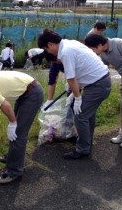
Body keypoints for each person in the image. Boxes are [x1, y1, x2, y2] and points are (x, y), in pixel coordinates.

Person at [38, 29, 111, 159]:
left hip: (97, 85)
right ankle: (87, 142)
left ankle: (83, 149)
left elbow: (71, 78)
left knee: (80, 116)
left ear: (50, 44)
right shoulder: (69, 43)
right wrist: (75, 93)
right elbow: (82, 71)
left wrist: (77, 98)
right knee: (88, 114)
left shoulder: (65, 52)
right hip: (100, 81)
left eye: (46, 49)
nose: (48, 52)